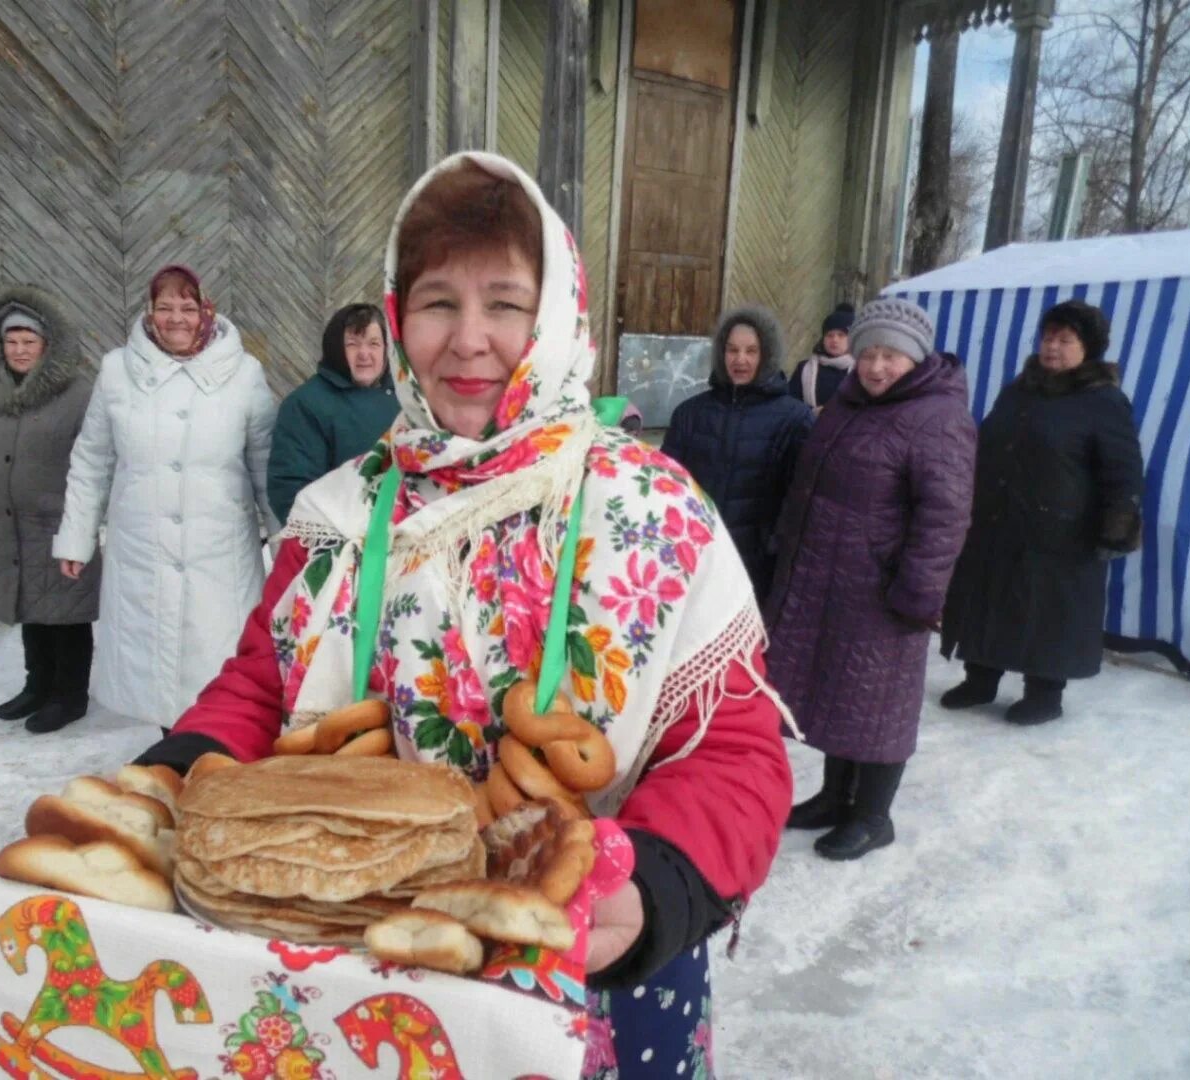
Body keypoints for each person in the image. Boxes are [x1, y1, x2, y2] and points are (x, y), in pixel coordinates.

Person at [131, 153, 792, 1077]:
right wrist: (168, 775)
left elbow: (735, 752)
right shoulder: (338, 515)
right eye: (439, 302)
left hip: (599, 963)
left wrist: (650, 883)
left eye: (506, 303)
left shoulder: (650, 512)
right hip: (359, 958)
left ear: (556, 312)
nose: (469, 339)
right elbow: (259, 684)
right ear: (398, 320)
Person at [765, 297, 975, 860]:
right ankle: (837, 798)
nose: (877, 367)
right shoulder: (849, 402)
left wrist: (916, 594)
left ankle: (874, 816)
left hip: (886, 591)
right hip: (832, 577)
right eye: (868, 354)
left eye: (891, 356)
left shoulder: (938, 416)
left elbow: (945, 515)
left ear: (916, 359)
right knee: (841, 695)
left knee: (880, 705)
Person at [52, 265, 277, 727]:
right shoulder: (117, 371)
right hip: (143, 549)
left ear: (205, 312)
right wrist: (76, 536)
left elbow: (266, 466)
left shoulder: (244, 374)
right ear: (150, 312)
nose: (177, 318)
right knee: (158, 676)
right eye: (165, 307)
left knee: (217, 667)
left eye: (188, 308)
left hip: (219, 555)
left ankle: (214, 757)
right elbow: (92, 460)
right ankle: (171, 749)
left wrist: (284, 544)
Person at [940, 300, 1144, 724]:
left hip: (1063, 532)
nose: (1052, 347)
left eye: (1065, 340)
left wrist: (1116, 525)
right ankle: (980, 679)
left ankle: (1045, 694)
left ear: (1089, 348)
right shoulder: (1019, 389)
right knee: (990, 597)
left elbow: (1123, 471)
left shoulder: (1104, 400)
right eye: (1048, 337)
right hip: (998, 518)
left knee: (1050, 611)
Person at [0, 288, 102, 733]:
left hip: (59, 525)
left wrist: (84, 514)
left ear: (47, 345)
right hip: (3, 524)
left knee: (66, 615)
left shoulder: (78, 395)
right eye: (11, 341)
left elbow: (98, 456)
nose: (19, 350)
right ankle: (37, 686)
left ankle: (70, 695)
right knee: (30, 610)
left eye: (28, 342)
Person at [662, 306, 814, 596]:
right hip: (697, 558)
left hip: (757, 568)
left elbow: (799, 499)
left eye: (751, 351)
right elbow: (667, 487)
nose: (740, 360)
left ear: (766, 355)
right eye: (732, 350)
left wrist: (774, 544)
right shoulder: (690, 415)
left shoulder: (794, 420)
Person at [266, 303, 399, 524]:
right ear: (336, 349)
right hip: (343, 542)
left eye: (374, 344)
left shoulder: (405, 396)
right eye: (352, 344)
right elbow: (291, 490)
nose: (364, 354)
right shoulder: (306, 405)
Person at [788, 302, 855, 412]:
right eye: (829, 335)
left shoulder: (861, 370)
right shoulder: (804, 368)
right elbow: (791, 404)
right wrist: (811, 413)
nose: (834, 340)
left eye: (841, 335)